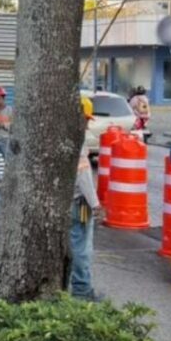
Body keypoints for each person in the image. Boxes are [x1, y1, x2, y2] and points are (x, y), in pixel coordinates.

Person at [70, 95, 105, 301]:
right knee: (82, 248)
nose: (86, 124)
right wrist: (96, 204)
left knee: (72, 246)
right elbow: (83, 177)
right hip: (79, 203)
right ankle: (82, 291)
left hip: (65, 202)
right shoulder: (77, 142)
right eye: (85, 119)